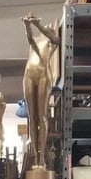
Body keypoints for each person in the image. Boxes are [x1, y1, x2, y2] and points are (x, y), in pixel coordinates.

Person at [22, 14, 60, 170]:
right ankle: (35, 157)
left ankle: (42, 158)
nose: (47, 29)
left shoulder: (51, 41)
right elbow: (29, 38)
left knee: (42, 116)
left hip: (44, 76)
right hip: (29, 75)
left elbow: (55, 39)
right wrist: (27, 25)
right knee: (33, 117)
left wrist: (38, 25)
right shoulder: (35, 41)